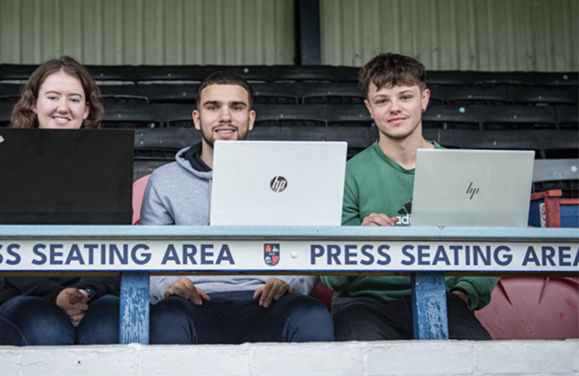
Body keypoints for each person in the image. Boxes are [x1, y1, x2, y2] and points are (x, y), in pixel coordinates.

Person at [140, 70, 334, 344]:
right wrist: (167, 286)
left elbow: (306, 246)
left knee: (312, 314)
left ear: (250, 118)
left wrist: (292, 280)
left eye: (236, 107)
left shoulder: (284, 174)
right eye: (213, 107)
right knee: (165, 318)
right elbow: (145, 254)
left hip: (267, 299)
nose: (225, 116)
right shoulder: (165, 180)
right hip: (194, 302)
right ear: (197, 119)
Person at [321, 53, 496, 341]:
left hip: (444, 298)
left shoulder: (463, 171)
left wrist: (465, 293)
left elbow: (490, 247)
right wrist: (361, 241)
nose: (394, 108)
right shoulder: (346, 175)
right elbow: (331, 276)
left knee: (480, 359)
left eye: (405, 97)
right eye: (382, 100)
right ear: (369, 108)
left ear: (424, 99)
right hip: (364, 304)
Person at [0, 56, 120, 346]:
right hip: (21, 297)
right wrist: (54, 294)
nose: (63, 107)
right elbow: (0, 250)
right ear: (34, 104)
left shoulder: (108, 166)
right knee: (47, 332)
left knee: (109, 329)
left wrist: (86, 292)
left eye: (74, 99)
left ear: (86, 110)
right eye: (52, 97)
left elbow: (117, 249)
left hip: (94, 295)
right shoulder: (4, 160)